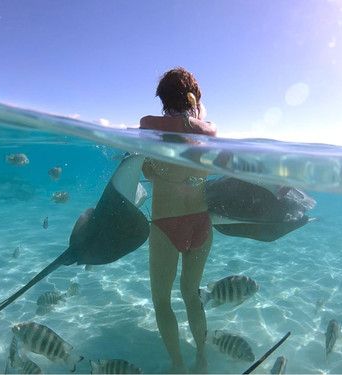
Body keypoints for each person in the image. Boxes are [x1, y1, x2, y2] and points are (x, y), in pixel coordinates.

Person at [140, 67, 216, 373]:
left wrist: (155, 169)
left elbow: (148, 171)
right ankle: (201, 358)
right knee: (191, 295)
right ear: (194, 98)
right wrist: (195, 112)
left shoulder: (149, 124)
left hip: (166, 224)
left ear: (162, 98)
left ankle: (177, 365)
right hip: (201, 223)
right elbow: (197, 127)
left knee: (162, 300)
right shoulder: (209, 129)